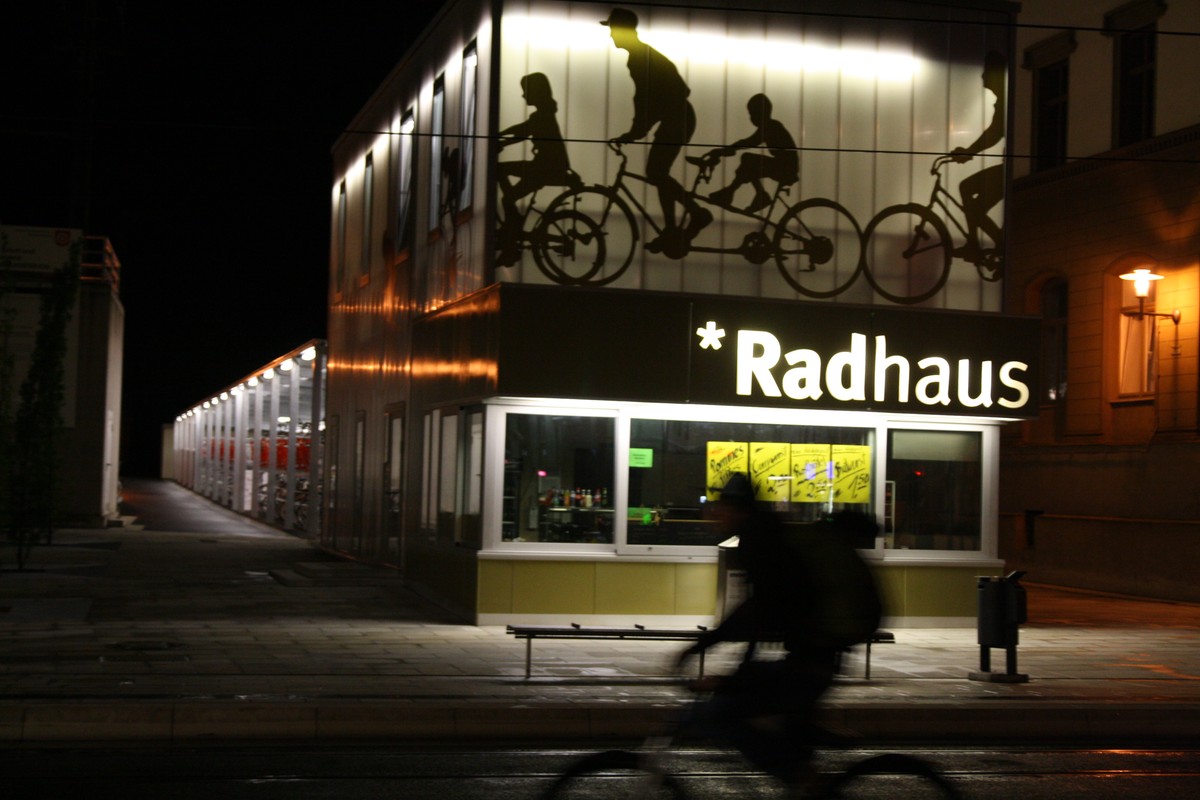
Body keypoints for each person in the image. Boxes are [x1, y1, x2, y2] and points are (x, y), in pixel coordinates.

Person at [677, 474, 882, 790]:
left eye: (720, 507)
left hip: (811, 659)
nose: (714, 514)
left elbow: (763, 611)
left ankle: (801, 778)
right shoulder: (767, 536)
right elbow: (761, 614)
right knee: (779, 729)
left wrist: (722, 668)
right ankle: (803, 769)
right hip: (815, 655)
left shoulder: (760, 543)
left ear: (737, 509)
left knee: (719, 715)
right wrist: (714, 653)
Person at [602, 7, 712, 253]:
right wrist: (638, 130)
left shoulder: (640, 58)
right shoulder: (641, 56)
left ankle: (693, 216)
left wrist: (636, 131)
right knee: (657, 172)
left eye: (612, 30)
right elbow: (648, 100)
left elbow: (646, 99)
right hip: (677, 117)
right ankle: (675, 227)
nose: (611, 36)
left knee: (656, 172)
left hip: (678, 118)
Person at [495, 73, 578, 267]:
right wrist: (502, 140)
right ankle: (513, 221)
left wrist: (499, 138)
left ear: (536, 92)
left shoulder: (542, 115)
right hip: (543, 166)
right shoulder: (545, 113)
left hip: (544, 168)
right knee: (503, 179)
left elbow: (524, 130)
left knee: (506, 193)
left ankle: (511, 241)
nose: (524, 96)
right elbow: (525, 131)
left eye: (526, 91)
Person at [950, 50, 1006, 265]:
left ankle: (975, 245)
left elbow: (995, 133)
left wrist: (969, 152)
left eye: (985, 72)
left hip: (1007, 169)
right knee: (975, 208)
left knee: (966, 188)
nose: (982, 77)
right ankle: (996, 243)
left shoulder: (1005, 101)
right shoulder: (1003, 100)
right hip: (1007, 167)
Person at [705, 93, 799, 213]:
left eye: (752, 113)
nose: (751, 117)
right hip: (784, 166)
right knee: (749, 165)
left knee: (748, 160)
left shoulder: (771, 126)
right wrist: (728, 149)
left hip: (785, 169)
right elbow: (750, 141)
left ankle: (734, 193)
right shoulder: (770, 125)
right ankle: (737, 193)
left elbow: (751, 141)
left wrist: (726, 150)